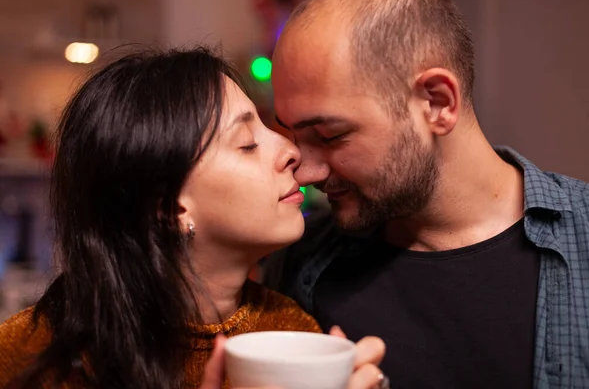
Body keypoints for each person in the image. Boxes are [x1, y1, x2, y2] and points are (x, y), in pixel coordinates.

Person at [263, 0, 589, 388]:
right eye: (296, 137)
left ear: (437, 102)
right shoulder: (300, 261)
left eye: (330, 135)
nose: (307, 172)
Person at [0, 47, 386, 389]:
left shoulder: (291, 336)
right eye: (248, 144)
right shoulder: (25, 356)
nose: (291, 150)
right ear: (169, 206)